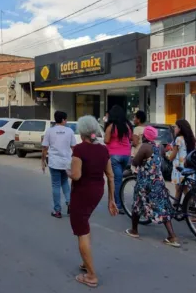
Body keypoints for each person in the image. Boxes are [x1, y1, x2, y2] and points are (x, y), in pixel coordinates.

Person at [68, 115, 118, 288]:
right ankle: (85, 261)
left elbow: (77, 175)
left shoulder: (80, 149)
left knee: (81, 230)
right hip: (97, 191)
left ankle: (91, 275)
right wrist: (111, 200)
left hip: (82, 192)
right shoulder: (103, 150)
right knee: (85, 225)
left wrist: (68, 171)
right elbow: (111, 176)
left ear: (81, 132)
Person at [125, 127, 180, 247]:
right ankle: (172, 236)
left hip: (145, 181)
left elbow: (135, 162)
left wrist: (133, 160)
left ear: (145, 136)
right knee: (162, 207)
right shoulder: (158, 146)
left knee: (137, 204)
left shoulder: (145, 147)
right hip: (158, 181)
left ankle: (134, 230)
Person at [42, 111, 76, 218]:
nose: (66, 121)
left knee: (56, 185)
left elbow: (45, 148)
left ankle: (57, 211)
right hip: (66, 162)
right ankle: (70, 203)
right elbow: (73, 148)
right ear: (63, 120)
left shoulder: (50, 131)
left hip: (54, 162)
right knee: (65, 182)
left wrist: (43, 161)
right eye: (66, 119)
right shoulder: (69, 131)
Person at [104, 105, 132, 213]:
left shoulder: (111, 126)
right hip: (126, 155)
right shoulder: (127, 126)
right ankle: (117, 201)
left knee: (117, 180)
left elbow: (106, 140)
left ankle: (118, 205)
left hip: (114, 155)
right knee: (118, 179)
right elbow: (130, 138)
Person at [166, 119, 196, 206]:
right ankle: (176, 205)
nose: (174, 128)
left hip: (180, 168)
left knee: (182, 188)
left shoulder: (179, 139)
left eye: (176, 127)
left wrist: (166, 156)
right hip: (189, 167)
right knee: (181, 188)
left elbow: (172, 156)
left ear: (180, 128)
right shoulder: (191, 139)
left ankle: (191, 205)